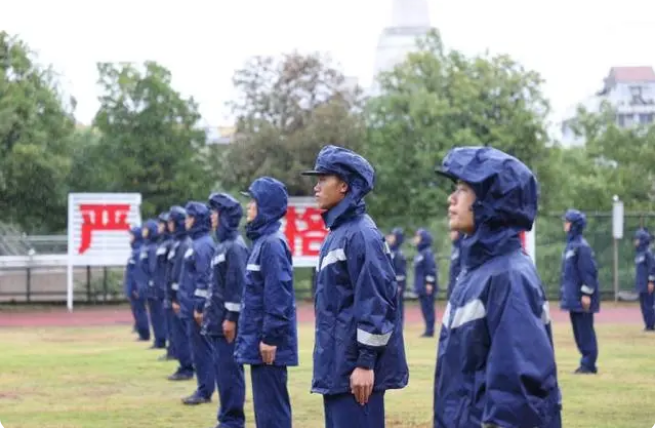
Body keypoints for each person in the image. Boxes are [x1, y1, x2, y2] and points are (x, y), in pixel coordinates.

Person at [433, 146, 562, 427]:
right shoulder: (476, 271)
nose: (451, 198)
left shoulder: (509, 276)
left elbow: (518, 394)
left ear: (491, 200)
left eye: (463, 189)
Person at [302, 145, 408, 428]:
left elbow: (377, 302)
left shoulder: (361, 235)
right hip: (337, 368)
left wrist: (365, 363)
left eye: (323, 179)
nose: (316, 186)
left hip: (355, 372)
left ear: (345, 186)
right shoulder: (338, 234)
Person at [235, 177, 298, 428]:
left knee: (272, 410)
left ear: (266, 206)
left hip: (268, 345)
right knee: (265, 409)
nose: (248, 207)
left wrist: (271, 338)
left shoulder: (271, 244)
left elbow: (278, 296)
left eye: (254, 201)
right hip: (260, 341)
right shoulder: (262, 242)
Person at [202, 192, 249, 428]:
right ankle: (226, 417)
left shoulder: (234, 247)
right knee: (223, 372)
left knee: (230, 373)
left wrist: (231, 318)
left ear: (225, 216)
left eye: (215, 212)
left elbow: (236, 286)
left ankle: (232, 420)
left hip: (227, 324)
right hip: (217, 322)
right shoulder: (222, 246)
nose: (211, 217)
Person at [177, 201, 216, 405]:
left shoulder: (203, 245)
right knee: (198, 349)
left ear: (198, 219)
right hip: (190, 305)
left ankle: (205, 390)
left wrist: (200, 306)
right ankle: (203, 387)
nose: (186, 221)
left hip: (197, 308)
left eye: (189, 217)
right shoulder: (197, 243)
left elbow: (205, 278)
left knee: (203, 350)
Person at [560, 208, 600, 374]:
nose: (565, 224)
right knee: (578, 331)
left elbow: (589, 272)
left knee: (585, 331)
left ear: (574, 225)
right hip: (572, 297)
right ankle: (585, 362)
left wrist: (586, 294)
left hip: (581, 297)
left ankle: (589, 363)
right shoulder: (571, 246)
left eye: (567, 221)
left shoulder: (581, 247)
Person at [167, 206, 195, 381]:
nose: (169, 225)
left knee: (183, 334)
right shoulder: (177, 242)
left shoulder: (185, 244)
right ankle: (184, 364)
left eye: (171, 221)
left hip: (181, 297)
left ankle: (187, 367)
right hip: (174, 296)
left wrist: (176, 297)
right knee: (178, 334)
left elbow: (179, 274)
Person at [142, 219, 167, 350]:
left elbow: (153, 269)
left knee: (158, 314)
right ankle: (158, 339)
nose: (143, 231)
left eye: (146, 228)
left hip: (154, 288)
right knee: (154, 315)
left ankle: (161, 339)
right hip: (149, 288)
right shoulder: (147, 247)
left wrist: (153, 285)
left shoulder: (152, 248)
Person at [156, 212, 176, 361]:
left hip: (168, 288)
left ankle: (175, 350)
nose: (160, 227)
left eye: (163, 224)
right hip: (163, 287)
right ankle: (172, 349)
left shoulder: (171, 244)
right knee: (168, 322)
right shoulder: (163, 243)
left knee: (173, 322)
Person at [126, 225, 150, 342]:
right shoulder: (135, 251)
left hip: (136, 288)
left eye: (131, 235)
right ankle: (140, 330)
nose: (129, 237)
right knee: (136, 311)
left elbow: (139, 272)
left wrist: (137, 288)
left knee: (140, 311)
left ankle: (144, 333)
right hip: (132, 287)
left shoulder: (139, 251)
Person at [413, 228, 437, 337]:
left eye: (418, 236)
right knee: (424, 308)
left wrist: (429, 283)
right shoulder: (420, 253)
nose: (415, 239)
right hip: (421, 286)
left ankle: (430, 330)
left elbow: (431, 269)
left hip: (426, 286)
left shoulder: (427, 252)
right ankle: (427, 328)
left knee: (428, 308)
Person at [634, 228, 655, 331]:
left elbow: (652, 267)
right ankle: (647, 324)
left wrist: (651, 281)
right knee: (643, 305)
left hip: (648, 284)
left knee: (649, 305)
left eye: (637, 239)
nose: (635, 241)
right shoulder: (638, 254)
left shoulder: (648, 253)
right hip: (641, 284)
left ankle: (651, 325)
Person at [386, 228, 407, 323]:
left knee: (398, 307)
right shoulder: (390, 252)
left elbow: (400, 272)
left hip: (396, 285)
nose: (389, 238)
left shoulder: (398, 254)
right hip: (390, 284)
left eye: (392, 236)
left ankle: (399, 324)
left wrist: (399, 285)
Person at [446, 231, 462, 300]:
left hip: (459, 285)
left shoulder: (463, 246)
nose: (451, 234)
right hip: (452, 284)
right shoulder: (454, 248)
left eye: (453, 231)